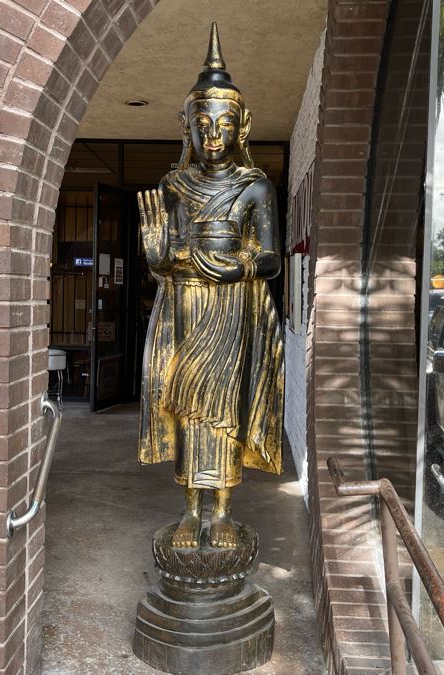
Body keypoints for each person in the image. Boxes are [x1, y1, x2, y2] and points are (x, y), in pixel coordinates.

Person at [137, 23, 284, 549]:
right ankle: (188, 510)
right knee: (183, 405)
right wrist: (157, 255)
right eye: (204, 124)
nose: (214, 135)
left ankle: (220, 511)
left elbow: (269, 259)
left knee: (222, 409)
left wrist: (240, 269)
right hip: (184, 308)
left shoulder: (255, 186)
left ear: (241, 126)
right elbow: (164, 258)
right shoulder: (173, 185)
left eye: (224, 123)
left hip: (230, 309)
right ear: (188, 129)